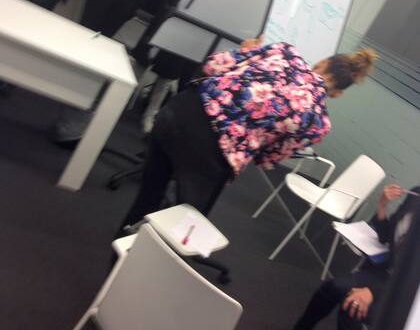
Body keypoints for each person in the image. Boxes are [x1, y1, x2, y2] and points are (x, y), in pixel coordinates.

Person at [117, 41, 377, 236]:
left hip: (180, 112)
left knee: (148, 195)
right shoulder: (318, 122)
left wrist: (243, 53)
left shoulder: (283, 51)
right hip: (212, 153)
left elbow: (212, 66)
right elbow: (268, 159)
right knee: (184, 224)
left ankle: (120, 250)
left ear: (320, 63)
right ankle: (146, 269)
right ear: (338, 93)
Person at [276, 184, 420, 330]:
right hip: (386, 274)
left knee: (353, 307)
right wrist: (382, 205)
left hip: (407, 297)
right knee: (333, 287)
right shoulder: (415, 194)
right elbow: (387, 236)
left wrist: (373, 292)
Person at [140, 0, 214, 134]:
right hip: (163, 26)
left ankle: (151, 114)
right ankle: (127, 101)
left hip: (185, 35)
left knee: (168, 76)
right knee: (143, 62)